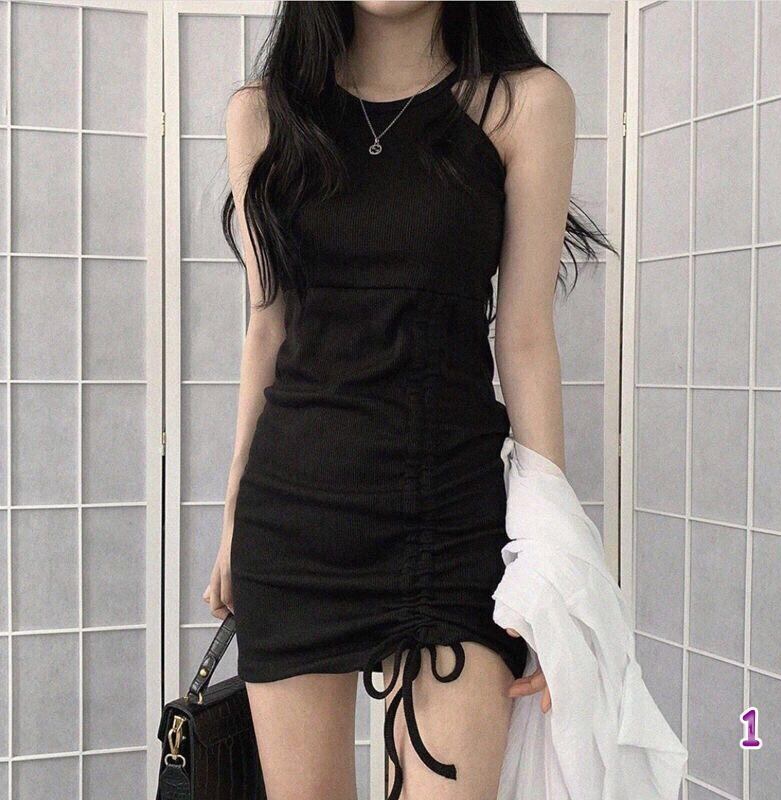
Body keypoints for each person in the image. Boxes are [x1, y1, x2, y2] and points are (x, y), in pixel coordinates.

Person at [204, 2, 614, 799]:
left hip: (451, 522)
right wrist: (231, 523)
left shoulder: (524, 104)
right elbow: (267, 329)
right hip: (294, 525)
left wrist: (555, 564)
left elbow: (526, 339)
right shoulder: (263, 115)